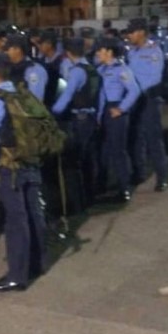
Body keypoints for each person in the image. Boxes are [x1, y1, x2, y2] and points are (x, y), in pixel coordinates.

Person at [0, 52, 47, 292]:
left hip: (9, 168)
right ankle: (37, 263)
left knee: (15, 221)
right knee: (34, 213)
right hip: (31, 161)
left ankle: (17, 275)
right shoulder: (23, 94)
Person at [52, 38, 101, 207]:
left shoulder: (76, 72)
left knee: (79, 159)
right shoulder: (92, 69)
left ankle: (83, 198)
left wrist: (52, 113)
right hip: (92, 117)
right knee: (91, 158)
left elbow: (66, 96)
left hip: (80, 119)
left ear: (68, 53)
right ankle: (93, 193)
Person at [126, 18, 168, 192]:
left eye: (132, 32)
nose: (129, 35)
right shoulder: (131, 51)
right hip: (134, 100)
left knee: (153, 140)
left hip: (149, 100)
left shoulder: (153, 51)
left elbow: (154, 78)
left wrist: (133, 90)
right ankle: (140, 173)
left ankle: (162, 177)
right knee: (136, 138)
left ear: (141, 32)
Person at [96, 37, 141, 202]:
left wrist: (121, 108)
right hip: (106, 110)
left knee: (118, 151)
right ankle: (102, 184)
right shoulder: (102, 69)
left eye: (100, 50)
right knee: (105, 151)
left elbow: (134, 90)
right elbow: (101, 94)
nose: (97, 53)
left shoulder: (121, 70)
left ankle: (124, 188)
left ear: (109, 52)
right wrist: (100, 115)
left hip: (117, 111)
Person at [3, 34, 48, 101]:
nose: (4, 52)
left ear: (17, 49)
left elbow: (35, 100)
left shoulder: (35, 70)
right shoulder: (7, 67)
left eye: (7, 49)